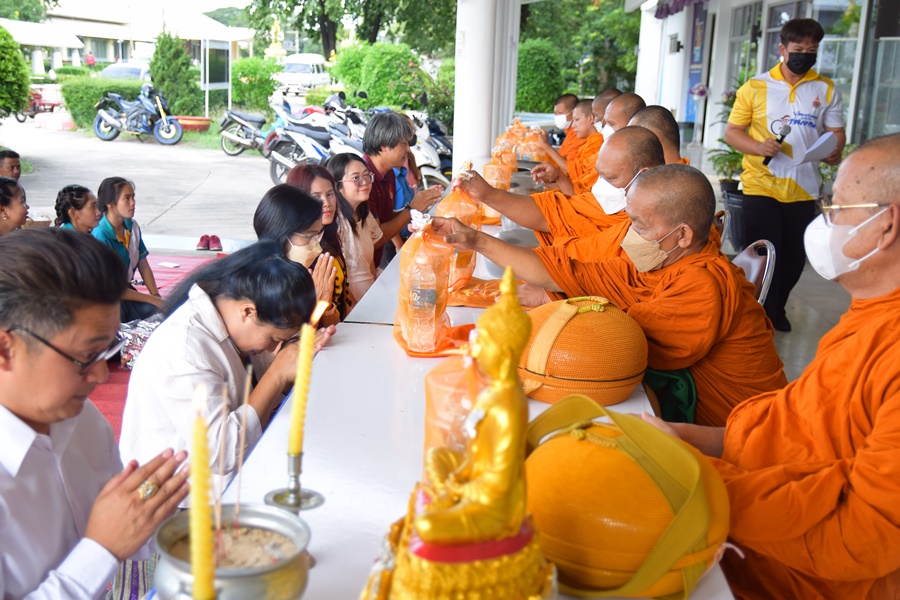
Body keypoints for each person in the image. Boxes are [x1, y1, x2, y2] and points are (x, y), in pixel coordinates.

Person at [642, 135, 900, 598]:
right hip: (747, 524)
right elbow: (802, 432)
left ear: (887, 225)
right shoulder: (870, 314)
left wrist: (699, 479)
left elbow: (862, 533)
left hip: (788, 577)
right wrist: (703, 442)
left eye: (837, 209)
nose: (826, 222)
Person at [434, 164, 786, 428]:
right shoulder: (657, 261)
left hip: (739, 432)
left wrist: (553, 305)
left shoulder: (703, 284)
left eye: (640, 225)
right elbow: (568, 272)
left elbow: (619, 343)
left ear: (682, 235)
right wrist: (475, 241)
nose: (629, 234)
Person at [0, 227, 189, 599]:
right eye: (86, 357)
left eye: (108, 350)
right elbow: (105, 542)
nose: (102, 375)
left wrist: (154, 522)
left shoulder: (82, 422)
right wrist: (100, 550)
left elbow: (122, 529)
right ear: (6, 350)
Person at [119, 241, 316, 493]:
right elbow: (220, 452)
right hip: (178, 500)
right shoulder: (186, 347)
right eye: (274, 339)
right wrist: (277, 374)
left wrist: (299, 353)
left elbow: (260, 370)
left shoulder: (230, 326)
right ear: (247, 311)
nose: (271, 348)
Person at [724, 18, 845, 332]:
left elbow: (835, 132)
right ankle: (755, 315)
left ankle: (776, 309)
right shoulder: (755, 86)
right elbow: (732, 132)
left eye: (812, 49)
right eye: (799, 49)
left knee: (792, 260)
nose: (805, 55)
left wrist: (835, 150)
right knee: (763, 256)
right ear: (782, 49)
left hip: (803, 187)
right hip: (759, 185)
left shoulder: (826, 88)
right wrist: (757, 146)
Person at [362, 112, 443, 266]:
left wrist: (419, 204)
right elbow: (376, 237)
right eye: (403, 144)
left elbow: (388, 217)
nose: (408, 149)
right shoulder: (364, 179)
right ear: (384, 145)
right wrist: (412, 208)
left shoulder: (389, 174)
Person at [285, 166, 352, 321]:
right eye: (316, 197)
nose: (326, 203)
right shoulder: (298, 251)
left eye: (330, 194)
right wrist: (326, 308)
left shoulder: (326, 236)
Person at [92, 177, 161, 322]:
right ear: (110, 203)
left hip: (126, 292)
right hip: (107, 300)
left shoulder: (132, 226)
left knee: (160, 313)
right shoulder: (100, 236)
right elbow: (112, 288)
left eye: (133, 197)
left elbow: (143, 263)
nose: (133, 203)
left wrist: (155, 296)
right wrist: (151, 300)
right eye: (127, 198)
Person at [323, 153, 385, 302]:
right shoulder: (335, 224)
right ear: (338, 187)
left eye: (366, 175)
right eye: (356, 178)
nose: (364, 182)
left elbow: (369, 265)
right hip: (350, 308)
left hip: (370, 300)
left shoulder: (365, 215)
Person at [531, 100, 604, 196]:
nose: (573, 125)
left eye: (577, 119)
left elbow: (573, 174)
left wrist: (545, 145)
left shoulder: (597, 142)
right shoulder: (587, 142)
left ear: (590, 118)